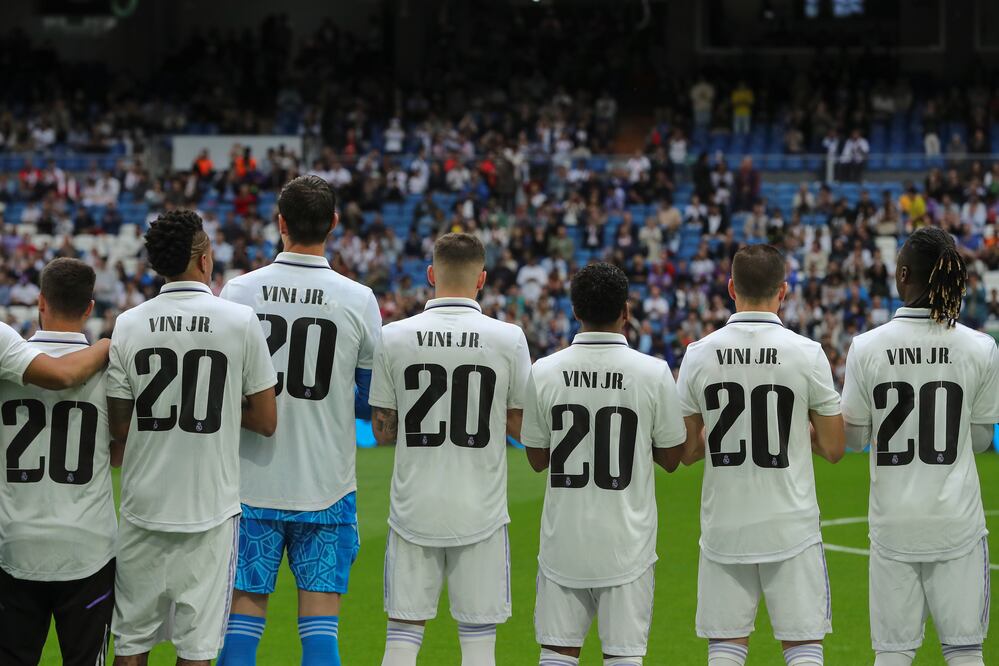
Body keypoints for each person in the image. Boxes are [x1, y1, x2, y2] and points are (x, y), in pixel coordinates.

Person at [217, 175, 382, 666]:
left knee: (240, 629)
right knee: (321, 634)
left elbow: (222, 388)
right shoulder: (358, 298)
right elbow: (370, 400)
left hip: (249, 485)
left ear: (280, 222)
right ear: (334, 223)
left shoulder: (239, 291)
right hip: (326, 487)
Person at [106, 210, 278, 666]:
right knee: (196, 651)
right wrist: (217, 403)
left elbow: (120, 427)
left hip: (143, 508)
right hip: (209, 512)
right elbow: (266, 419)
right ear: (204, 260)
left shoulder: (128, 323)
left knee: (130, 645)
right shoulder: (240, 321)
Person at [676, 244, 845, 666]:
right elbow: (834, 448)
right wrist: (796, 430)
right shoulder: (807, 352)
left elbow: (687, 451)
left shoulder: (698, 353)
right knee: (803, 647)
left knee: (726, 648)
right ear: (783, 291)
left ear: (731, 288)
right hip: (791, 526)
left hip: (725, 526)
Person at [369, 233, 531, 666]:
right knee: (478, 643)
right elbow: (521, 426)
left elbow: (382, 432)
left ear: (430, 274)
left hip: (414, 508)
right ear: (482, 279)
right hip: (481, 510)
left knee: (401, 638)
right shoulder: (509, 338)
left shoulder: (393, 336)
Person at [841, 227, 995, 666]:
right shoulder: (980, 347)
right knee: (965, 652)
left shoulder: (866, 347)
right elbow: (981, 439)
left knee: (893, 653)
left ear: (903, 274)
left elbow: (854, 438)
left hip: (893, 524)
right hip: (956, 523)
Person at [520, 262, 687, 666]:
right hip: (626, 544)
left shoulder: (544, 371)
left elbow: (537, 459)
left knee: (557, 654)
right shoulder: (653, 372)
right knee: (623, 657)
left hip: (564, 542)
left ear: (575, 311)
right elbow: (671, 459)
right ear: (626, 311)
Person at [0, 258, 116, 665]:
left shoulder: (8, 361)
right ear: (89, 307)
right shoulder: (111, 369)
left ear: (40, 302)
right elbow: (121, 451)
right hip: (89, 549)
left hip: (14, 545)